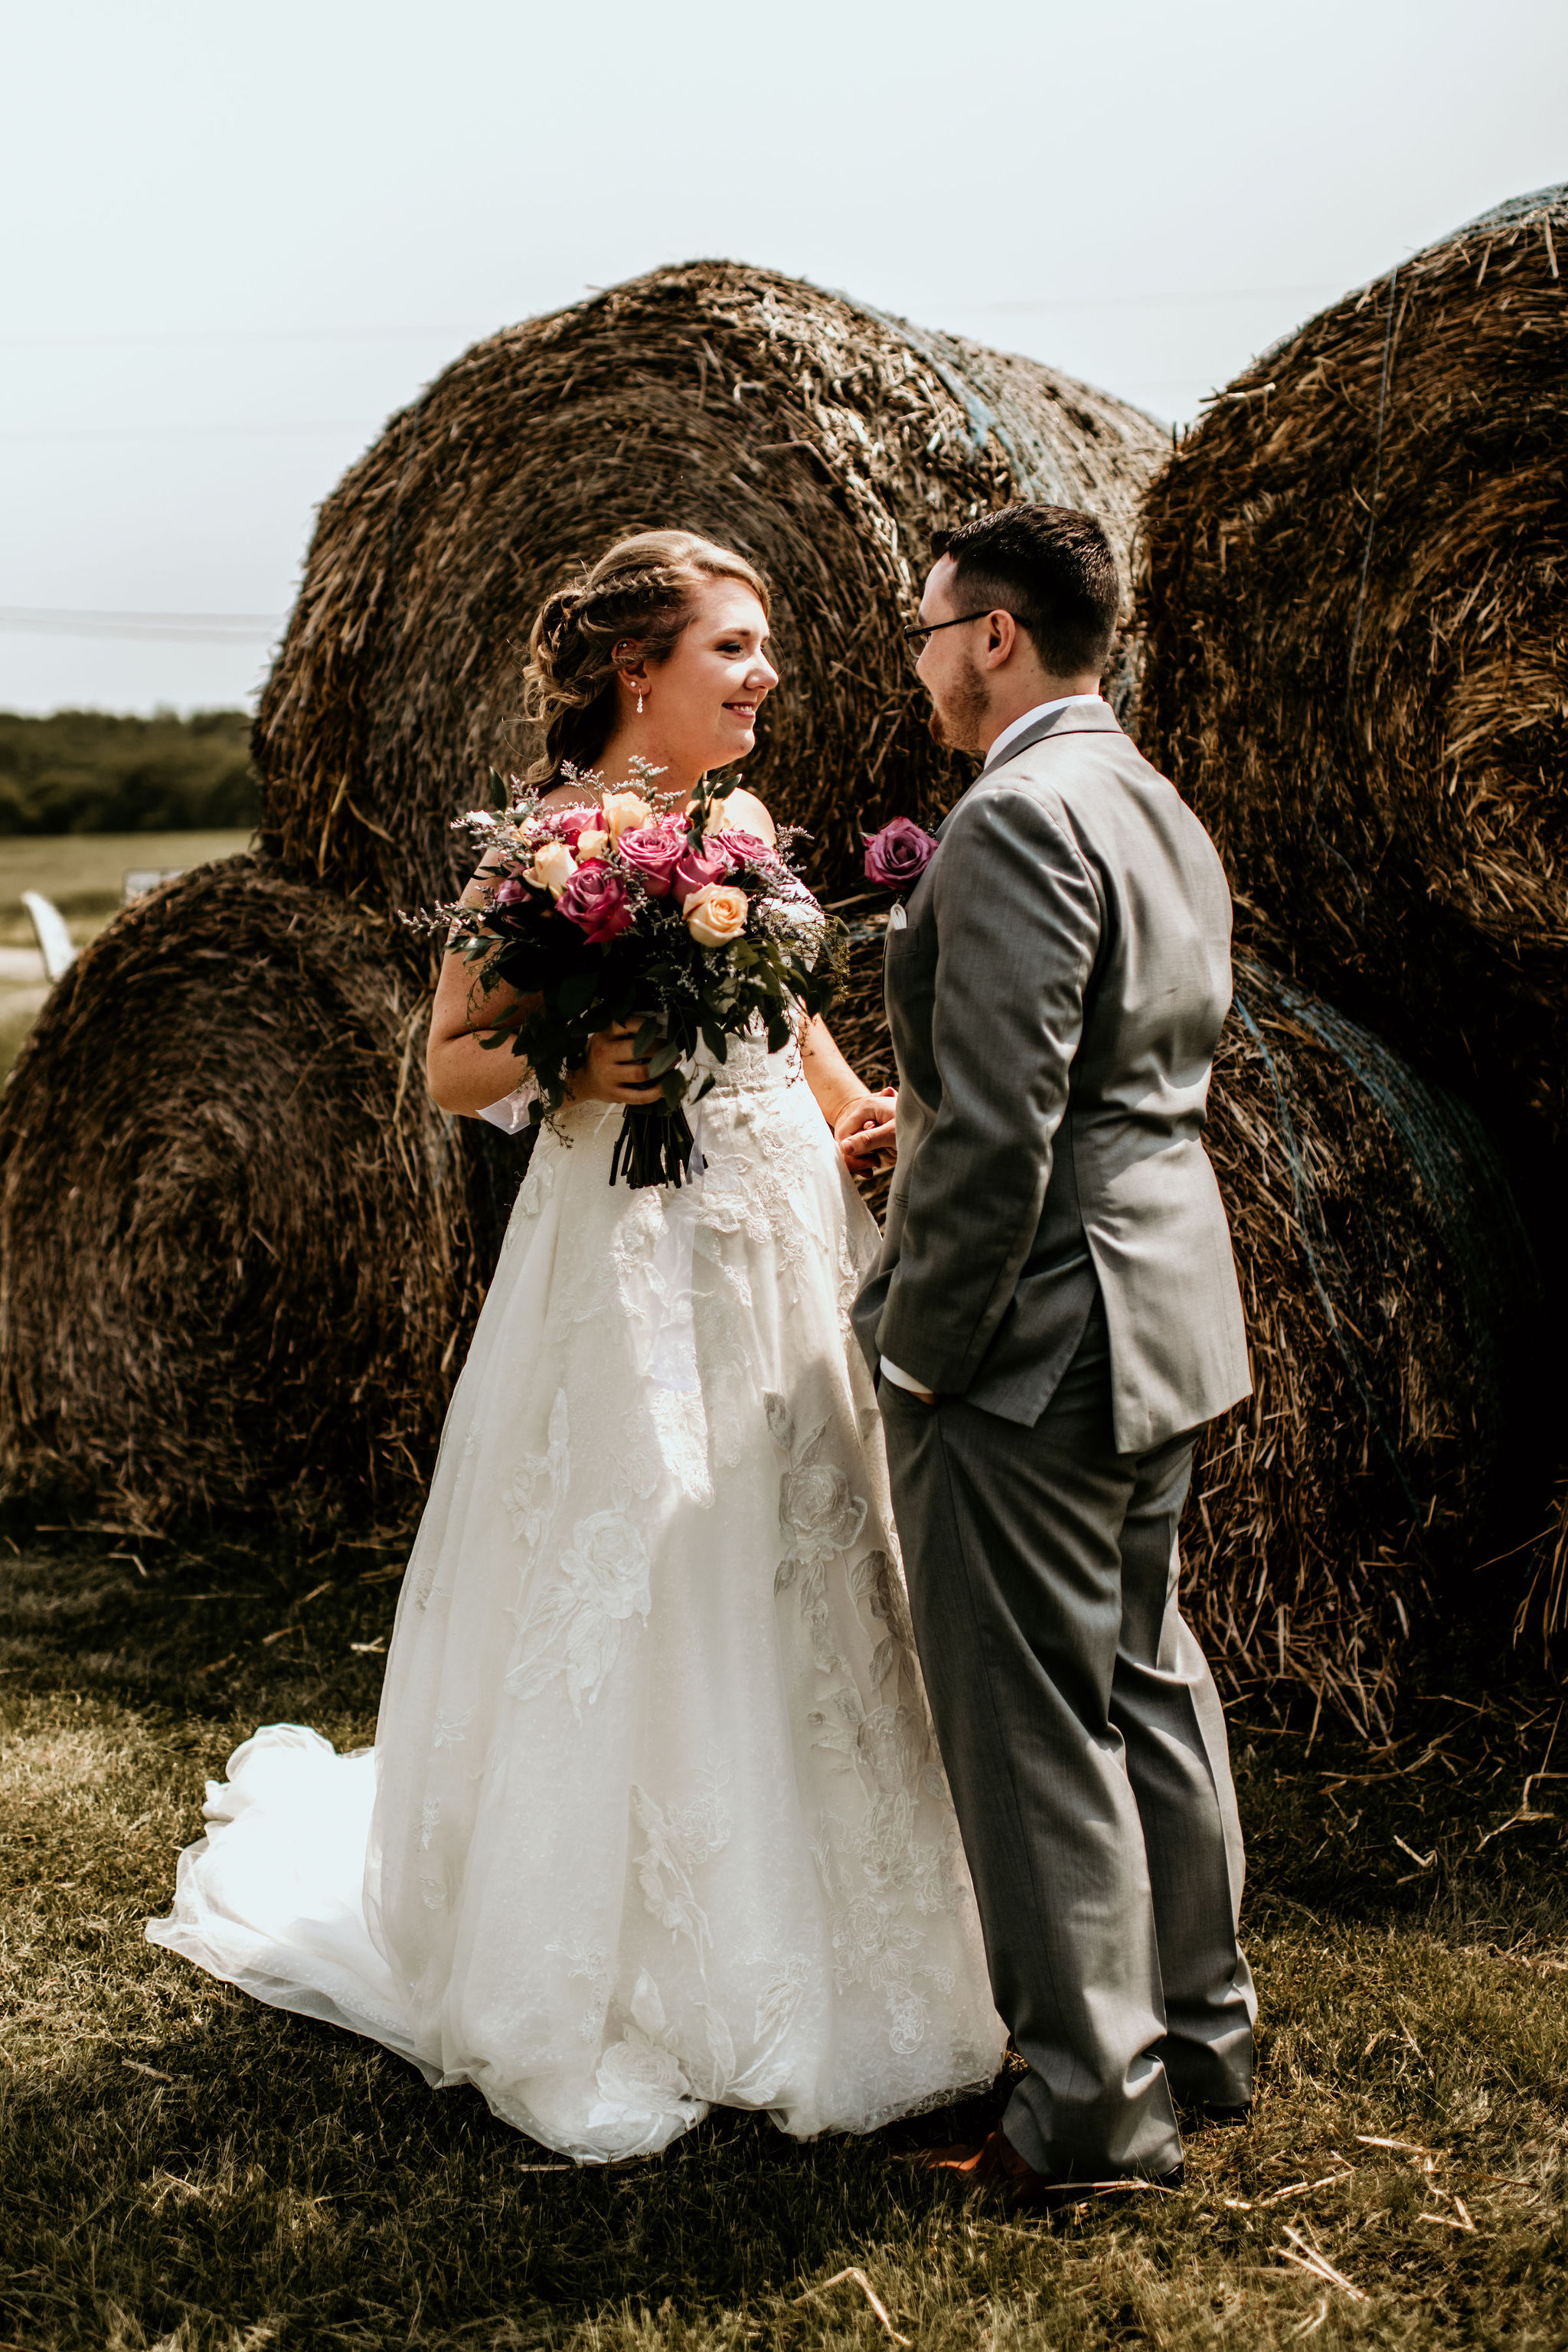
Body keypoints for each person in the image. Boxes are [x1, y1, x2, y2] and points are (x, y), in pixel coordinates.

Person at [149, 529, 1007, 2161]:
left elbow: (787, 1003)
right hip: (633, 1249)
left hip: (775, 1224)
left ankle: (883, 1921)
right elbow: (453, 1070)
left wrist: (843, 1110)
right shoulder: (543, 851)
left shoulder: (741, 826)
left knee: (808, 1541)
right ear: (641, 670)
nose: (764, 679)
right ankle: (642, 1950)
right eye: (733, 651)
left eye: (761, 654)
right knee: (656, 1539)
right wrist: (579, 1049)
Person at [853, 504, 1256, 2208]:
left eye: (933, 632)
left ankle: (1090, 2115)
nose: (927, 664)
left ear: (995, 636)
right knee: (1143, 1670)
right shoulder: (1148, 799)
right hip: (1162, 1301)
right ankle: (1197, 2032)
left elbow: (1006, 1123)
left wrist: (924, 1347)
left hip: (1033, 1335)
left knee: (1030, 1719)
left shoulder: (1015, 816)